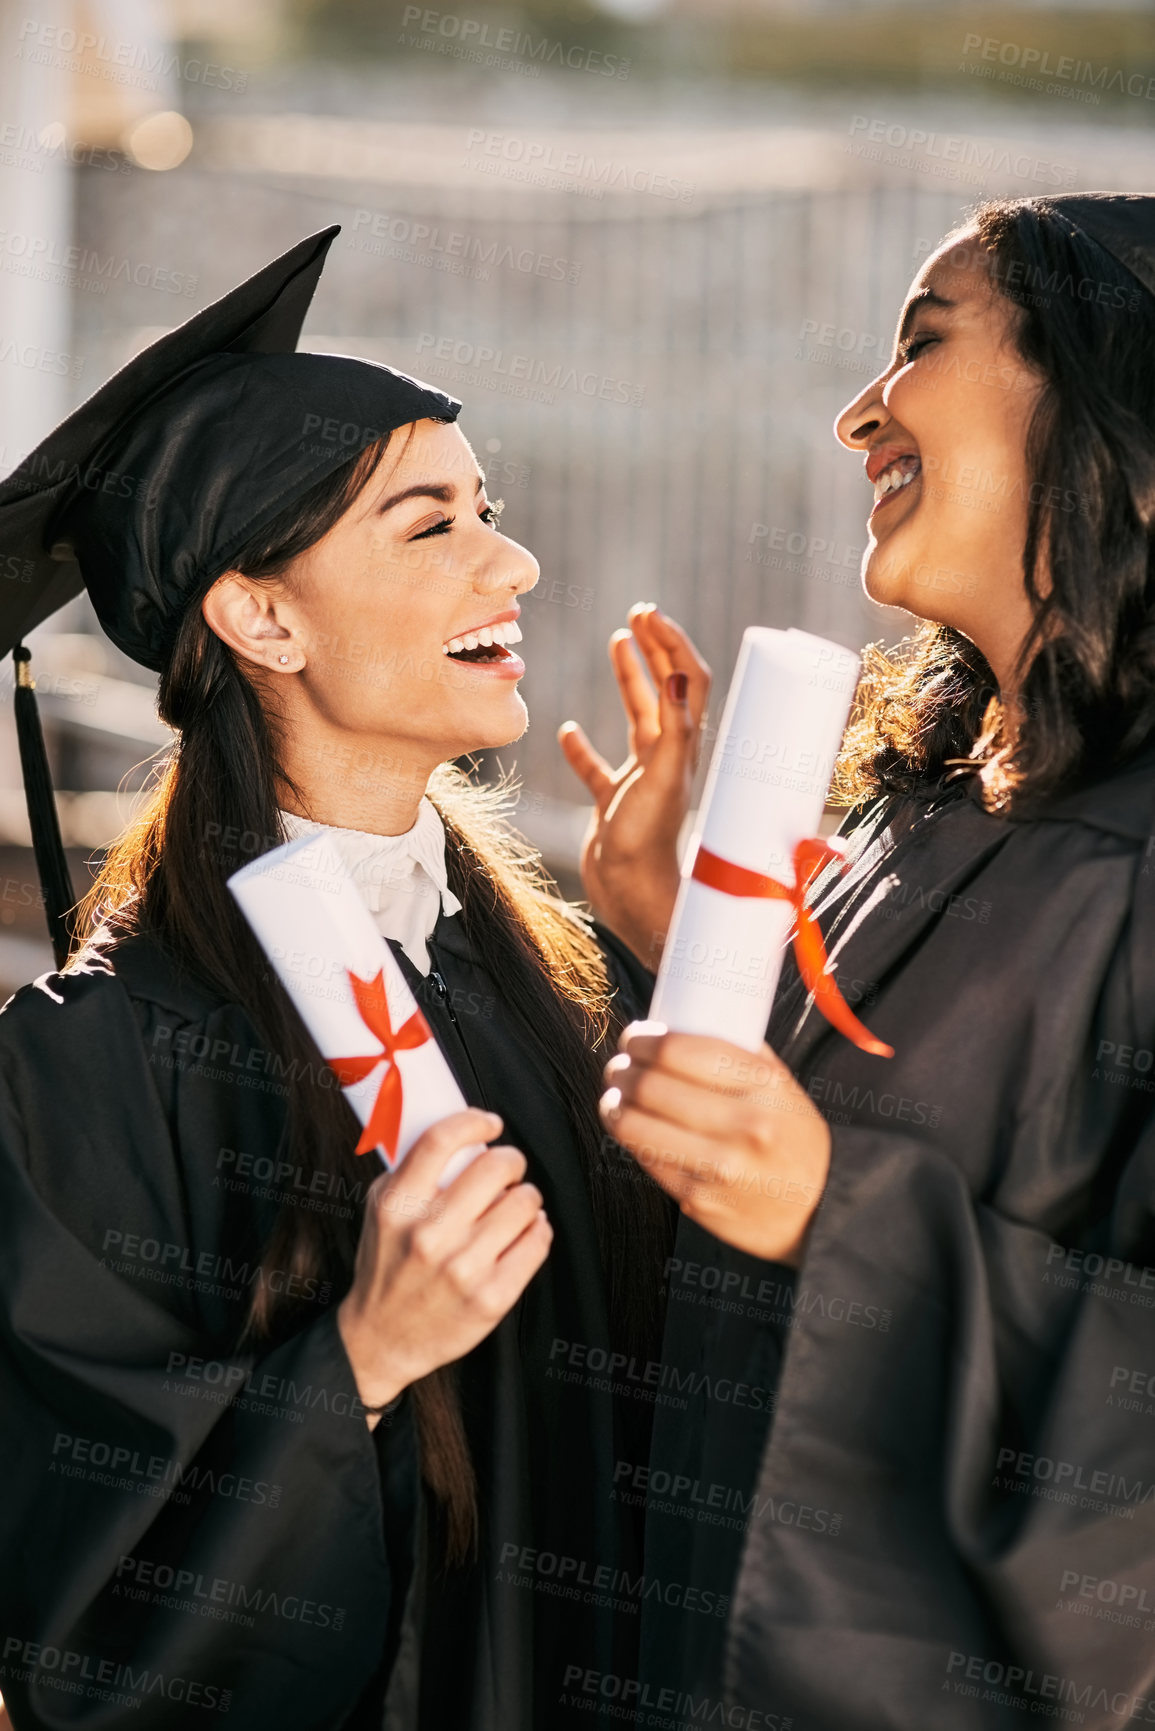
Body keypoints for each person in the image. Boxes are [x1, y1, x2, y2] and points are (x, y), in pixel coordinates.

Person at [0, 228, 709, 1731]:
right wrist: (366, 1358)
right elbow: (77, 1626)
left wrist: (673, 950)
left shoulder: (547, 974)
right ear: (261, 616)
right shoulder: (98, 1064)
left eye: (489, 509)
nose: (510, 559)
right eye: (427, 522)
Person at [563, 193, 1155, 1728]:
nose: (855, 416)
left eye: (921, 347)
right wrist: (675, 934)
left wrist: (844, 1221)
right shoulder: (937, 804)